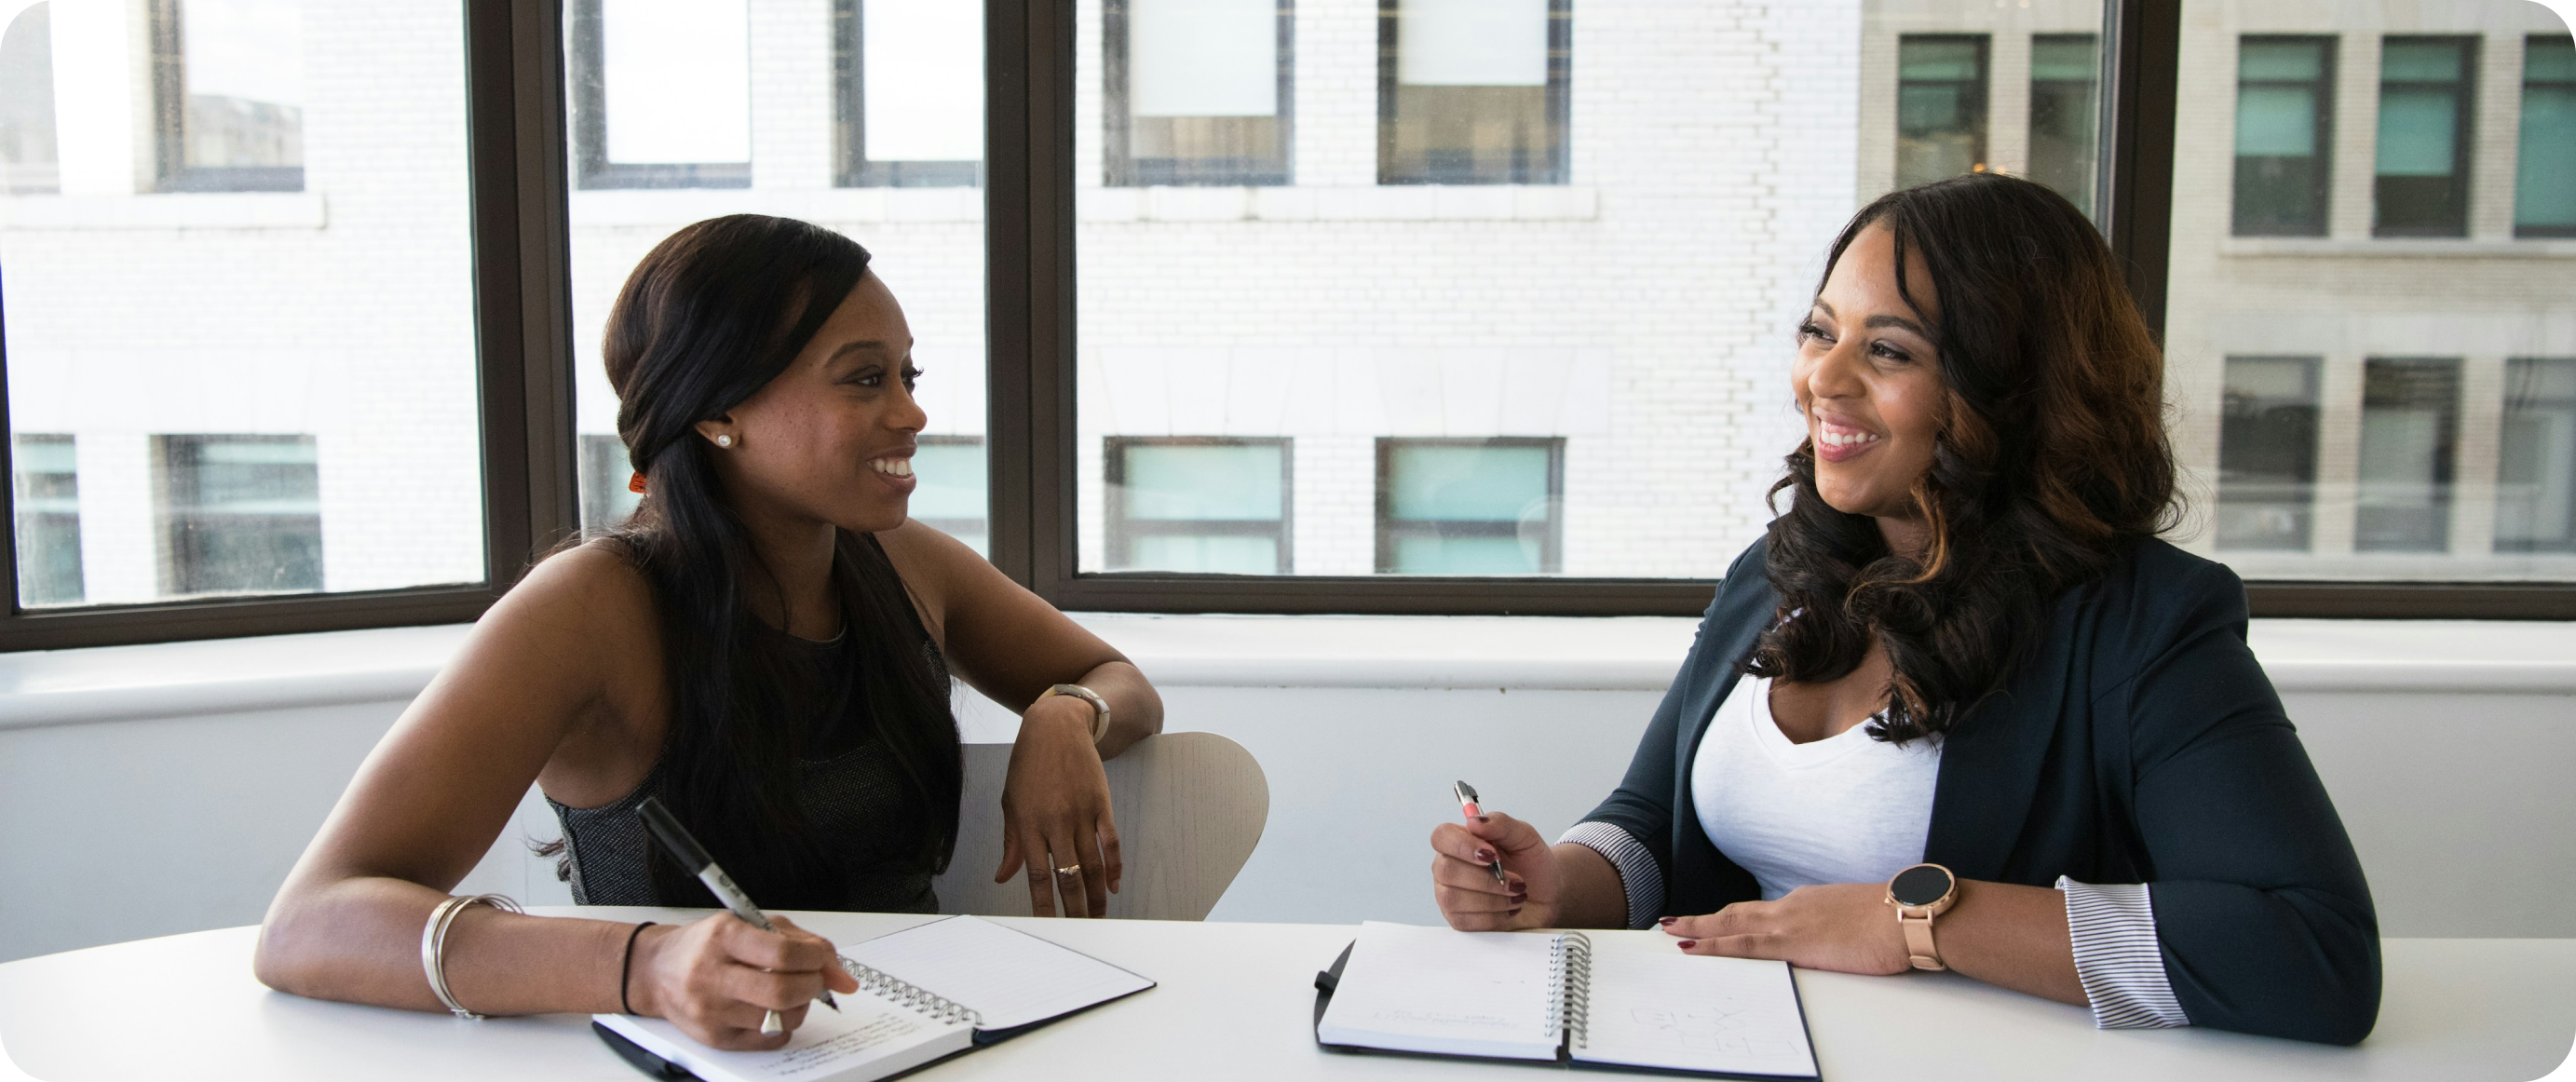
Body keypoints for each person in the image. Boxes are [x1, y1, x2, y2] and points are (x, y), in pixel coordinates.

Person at [1427, 173, 2379, 1045]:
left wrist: (1917, 918)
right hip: (1722, 1048)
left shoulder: (2144, 622)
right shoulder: (1778, 570)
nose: (1823, 380)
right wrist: (1561, 879)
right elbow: (1656, 823)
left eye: (1886, 348)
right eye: (1819, 330)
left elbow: (2313, 952)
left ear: (2015, 388)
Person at [254, 214, 1163, 1050]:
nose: (912, 413)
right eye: (864, 378)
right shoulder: (587, 606)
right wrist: (648, 965)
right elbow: (310, 923)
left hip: (920, 1047)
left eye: (906, 375)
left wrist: (1063, 711)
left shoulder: (904, 561)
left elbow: (1114, 677)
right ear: (718, 411)